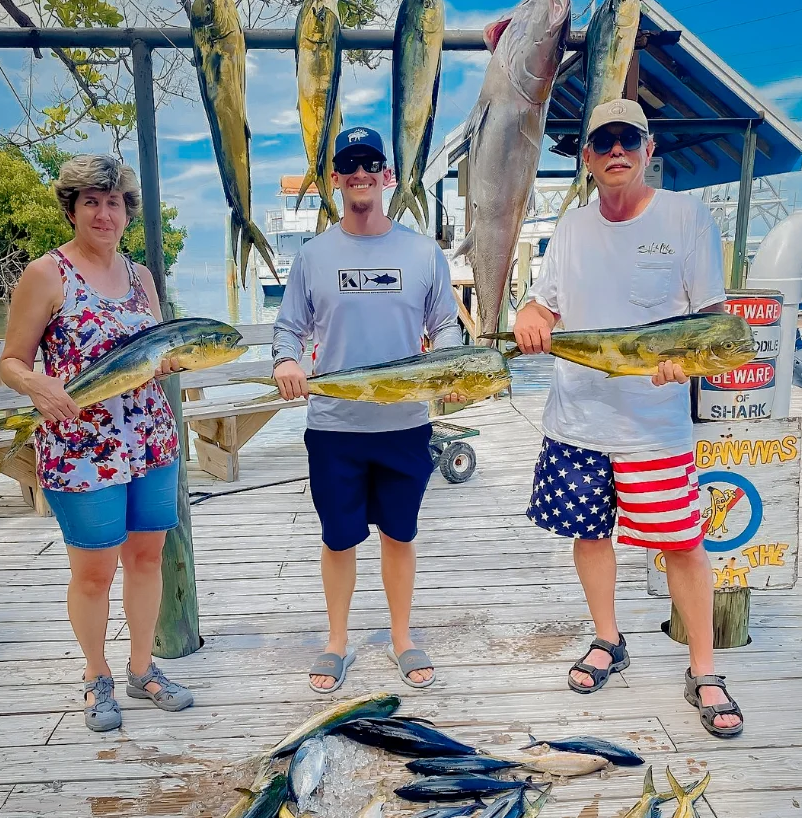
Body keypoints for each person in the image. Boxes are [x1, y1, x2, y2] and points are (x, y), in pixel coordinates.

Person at [513, 100, 743, 738]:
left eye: (628, 139)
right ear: (587, 157)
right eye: (603, 141)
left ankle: (704, 667)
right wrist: (532, 317)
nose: (616, 150)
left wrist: (688, 365)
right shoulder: (571, 228)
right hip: (576, 419)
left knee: (683, 544)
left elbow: (712, 323)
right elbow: (545, 303)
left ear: (647, 149)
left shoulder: (686, 216)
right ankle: (608, 639)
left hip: (654, 426)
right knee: (590, 535)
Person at [0, 155, 193, 732]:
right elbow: (11, 361)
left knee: (147, 556)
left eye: (114, 202)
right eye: (91, 201)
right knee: (92, 571)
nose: (104, 213)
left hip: (151, 440)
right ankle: (95, 675)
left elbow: (160, 350)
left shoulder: (140, 278)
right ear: (73, 208)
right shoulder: (46, 274)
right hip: (81, 445)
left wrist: (175, 361)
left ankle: (142, 668)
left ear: (127, 211)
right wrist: (37, 385)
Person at [272, 126, 464, 693]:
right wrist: (286, 363)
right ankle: (337, 640)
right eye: (349, 165)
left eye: (370, 164)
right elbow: (289, 329)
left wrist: (449, 370)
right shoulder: (313, 256)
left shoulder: (421, 251)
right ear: (335, 179)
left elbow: (445, 325)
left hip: (405, 423)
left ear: (388, 176)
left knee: (400, 534)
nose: (360, 174)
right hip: (335, 426)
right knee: (338, 537)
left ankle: (402, 635)